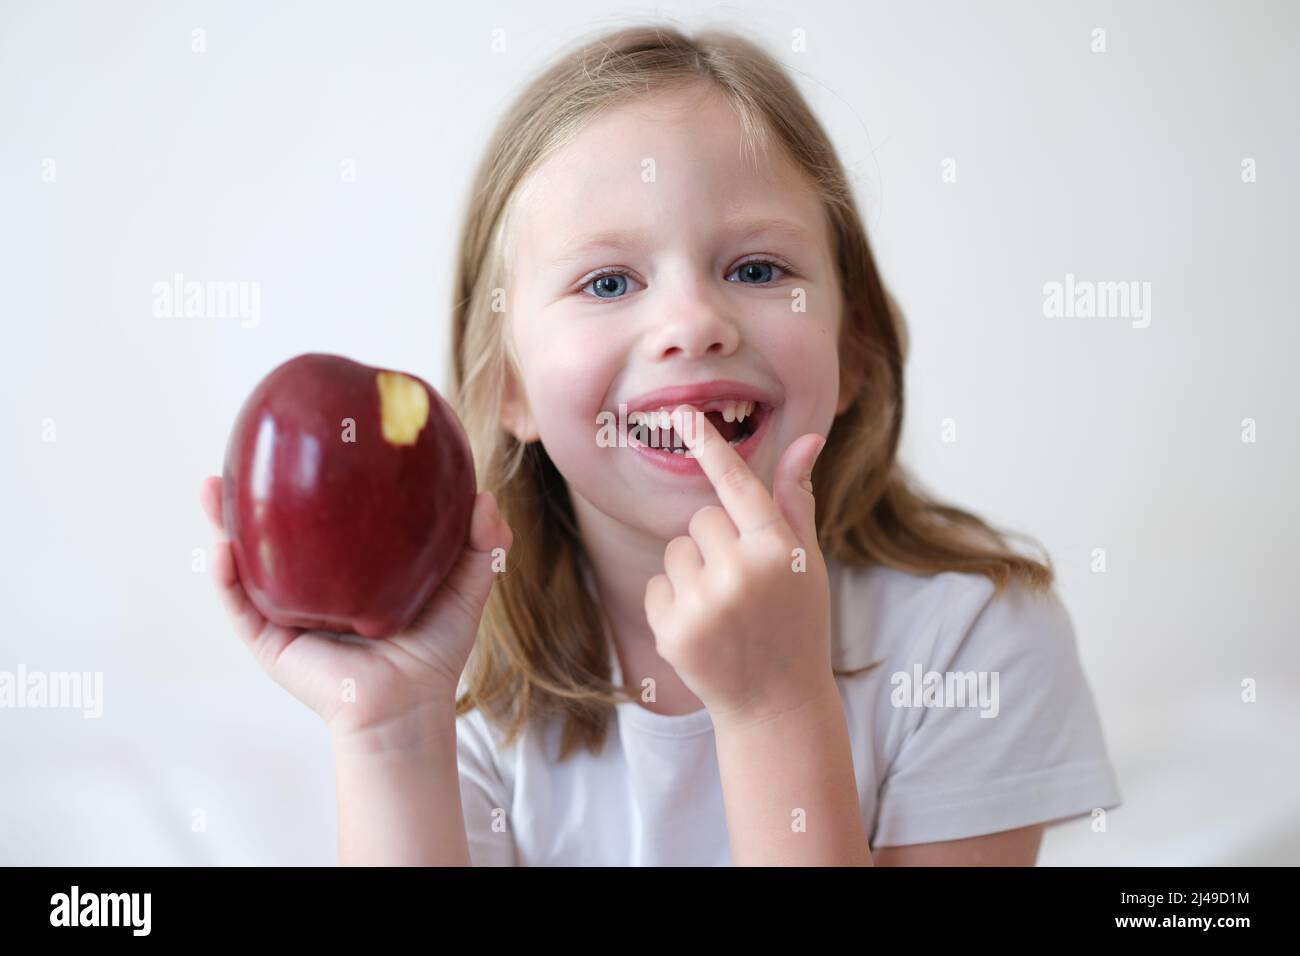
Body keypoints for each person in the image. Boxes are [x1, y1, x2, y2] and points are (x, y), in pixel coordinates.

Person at [200, 24, 1120, 866]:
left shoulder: (971, 645)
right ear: (507, 386)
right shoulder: (464, 670)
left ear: (856, 345)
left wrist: (776, 705)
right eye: (607, 282)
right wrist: (391, 732)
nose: (691, 323)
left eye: (757, 268)